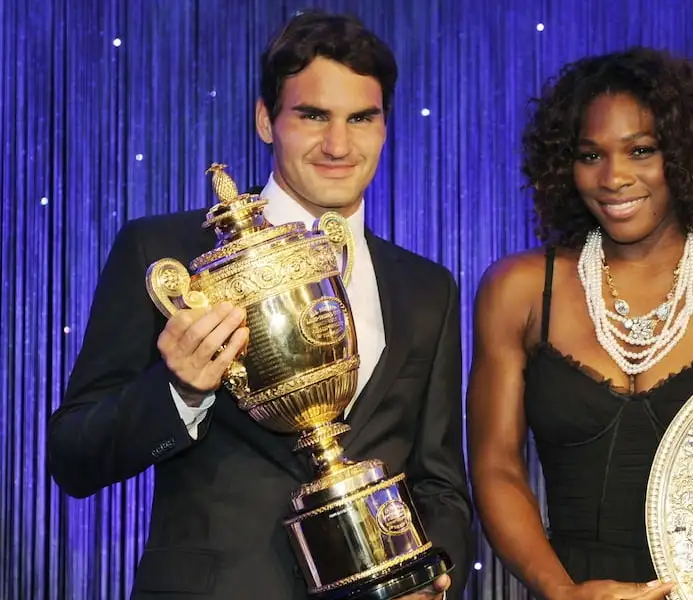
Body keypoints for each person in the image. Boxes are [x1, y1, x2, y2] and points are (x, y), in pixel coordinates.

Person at [47, 11, 472, 600]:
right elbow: (73, 458)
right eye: (313, 115)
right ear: (266, 121)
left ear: (384, 127)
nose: (339, 145)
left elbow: (440, 482)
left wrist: (433, 570)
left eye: (362, 119)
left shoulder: (428, 288)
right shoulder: (167, 253)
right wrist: (179, 393)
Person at [467, 48, 693, 600]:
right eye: (589, 155)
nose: (614, 177)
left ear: (691, 155)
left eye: (641, 151)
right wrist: (560, 591)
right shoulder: (520, 288)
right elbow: (495, 465)